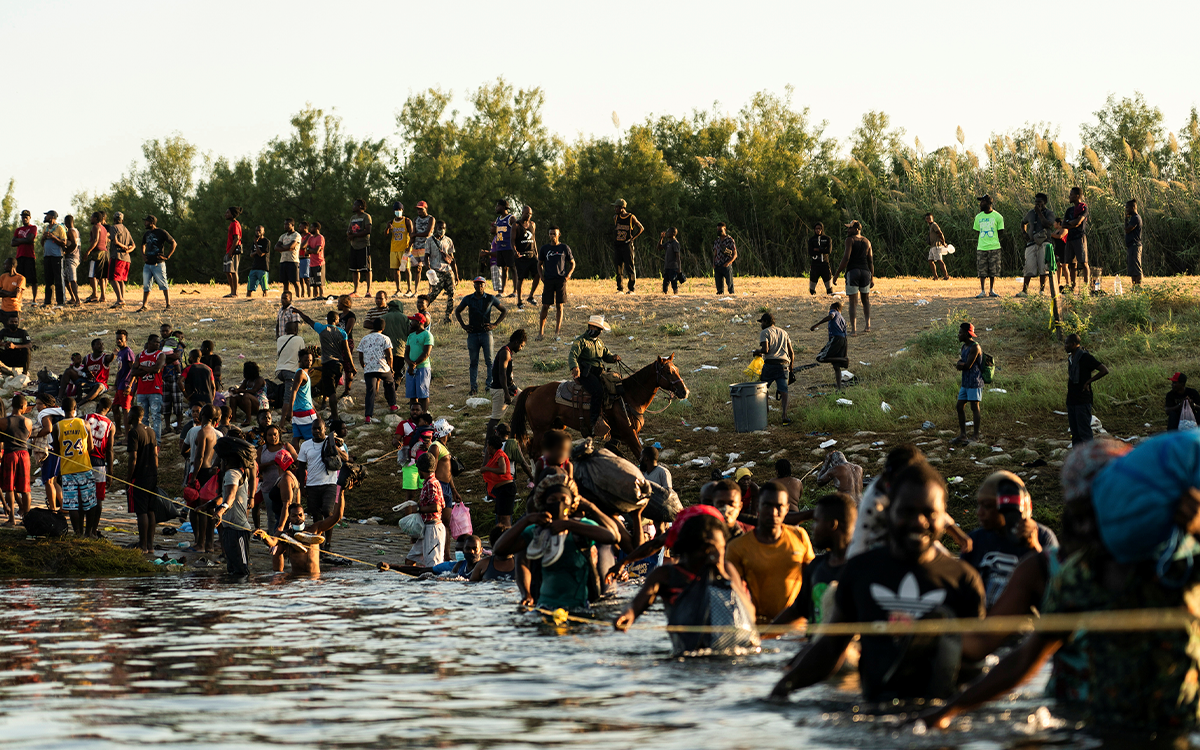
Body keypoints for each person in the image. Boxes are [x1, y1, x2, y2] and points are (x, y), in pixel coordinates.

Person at [920, 435, 1200, 733]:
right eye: (1078, 515)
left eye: (1094, 513)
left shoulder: (1181, 563)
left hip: (1178, 728)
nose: (1085, 527)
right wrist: (948, 711)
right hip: (1094, 727)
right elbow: (1025, 658)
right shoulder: (1076, 577)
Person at [770, 462, 986, 702]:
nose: (919, 522)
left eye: (929, 513)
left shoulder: (963, 578)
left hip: (939, 718)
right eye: (907, 512)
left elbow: (975, 659)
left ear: (944, 517)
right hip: (875, 714)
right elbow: (831, 648)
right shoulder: (861, 571)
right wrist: (782, 689)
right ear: (889, 513)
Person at [614, 513, 758, 653]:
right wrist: (627, 615)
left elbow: (750, 614)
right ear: (691, 547)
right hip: (686, 656)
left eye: (722, 548)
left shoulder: (726, 569)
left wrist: (721, 572)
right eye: (711, 548)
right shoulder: (666, 575)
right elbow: (637, 605)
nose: (719, 553)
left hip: (731, 654)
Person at [496, 473, 621, 613]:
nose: (559, 504)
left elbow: (612, 537)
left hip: (580, 607)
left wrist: (574, 521)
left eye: (563, 499)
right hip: (546, 607)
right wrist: (526, 520)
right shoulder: (535, 531)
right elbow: (500, 549)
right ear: (544, 503)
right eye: (553, 499)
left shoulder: (582, 527)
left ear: (572, 502)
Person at [961, 471, 1058, 608]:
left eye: (987, 506)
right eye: (979, 505)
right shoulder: (975, 539)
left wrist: (1034, 547)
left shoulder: (1042, 537)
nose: (979, 512)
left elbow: (1055, 590)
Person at [725, 482, 814, 623]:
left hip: (797, 628)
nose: (773, 513)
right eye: (767, 505)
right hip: (758, 630)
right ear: (759, 506)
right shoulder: (738, 547)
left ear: (787, 509)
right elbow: (733, 592)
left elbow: (812, 579)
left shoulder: (800, 536)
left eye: (779, 507)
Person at [772, 491, 857, 625]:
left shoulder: (861, 569)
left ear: (832, 525)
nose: (812, 527)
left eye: (816, 521)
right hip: (814, 644)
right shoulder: (816, 566)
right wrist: (762, 636)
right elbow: (797, 610)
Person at [253, 498, 344, 576]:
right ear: (289, 518)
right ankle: (278, 573)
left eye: (300, 515)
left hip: (314, 579)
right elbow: (272, 543)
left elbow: (337, 517)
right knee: (279, 548)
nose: (298, 518)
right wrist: (264, 535)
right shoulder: (285, 535)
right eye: (294, 516)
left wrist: (341, 493)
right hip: (296, 579)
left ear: (304, 516)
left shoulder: (315, 529)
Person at [297, 417, 347, 549]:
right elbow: (301, 467)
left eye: (319, 428)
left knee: (327, 512)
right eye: (314, 428)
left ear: (325, 429)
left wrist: (334, 446)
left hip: (329, 483)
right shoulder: (305, 445)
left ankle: (328, 542)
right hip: (312, 485)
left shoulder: (332, 442)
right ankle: (319, 542)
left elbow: (346, 458)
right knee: (316, 515)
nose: (317, 431)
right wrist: (302, 486)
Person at [568, 316, 620, 437]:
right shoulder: (580, 341)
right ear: (591, 327)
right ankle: (594, 422)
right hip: (585, 373)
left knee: (614, 386)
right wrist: (574, 367)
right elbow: (573, 355)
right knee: (597, 391)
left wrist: (613, 358)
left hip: (598, 372)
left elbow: (606, 356)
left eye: (600, 329)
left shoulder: (599, 342)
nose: (600, 331)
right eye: (598, 328)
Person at [454, 277, 506, 397]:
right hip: (472, 334)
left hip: (486, 333)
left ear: (485, 285)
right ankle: (473, 388)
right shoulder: (468, 298)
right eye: (477, 284)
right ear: (474, 286)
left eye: (481, 284)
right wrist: (464, 326)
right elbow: (458, 311)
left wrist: (495, 324)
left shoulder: (490, 298)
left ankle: (489, 386)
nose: (479, 286)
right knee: (473, 362)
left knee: (489, 361)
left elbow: (504, 310)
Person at [298, 310, 353, 422]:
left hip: (327, 364)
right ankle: (331, 410)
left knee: (331, 392)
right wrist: (352, 366)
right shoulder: (342, 333)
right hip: (339, 365)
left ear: (327, 320)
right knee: (333, 389)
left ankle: (335, 416)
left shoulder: (322, 328)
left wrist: (298, 311)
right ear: (337, 321)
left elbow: (308, 320)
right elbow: (347, 351)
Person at [52, 398, 96, 537]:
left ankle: (77, 533)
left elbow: (57, 451)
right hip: (84, 468)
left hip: (67, 470)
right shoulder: (84, 423)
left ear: (62, 409)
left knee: (72, 505)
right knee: (89, 503)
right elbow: (91, 447)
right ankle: (88, 532)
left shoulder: (57, 426)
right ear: (75, 408)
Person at [213, 450, 254, 577]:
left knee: (242, 570)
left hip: (238, 530)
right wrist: (206, 505)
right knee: (232, 569)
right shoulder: (233, 474)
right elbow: (224, 495)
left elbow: (230, 498)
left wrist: (220, 511)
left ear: (226, 461)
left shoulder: (232, 474)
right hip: (229, 528)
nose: (220, 463)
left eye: (221, 460)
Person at [125, 404, 159, 553]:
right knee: (150, 510)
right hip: (152, 474)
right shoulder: (151, 431)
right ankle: (150, 546)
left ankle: (143, 546)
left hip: (140, 476)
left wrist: (129, 478)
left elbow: (133, 458)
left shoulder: (134, 432)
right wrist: (155, 472)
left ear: (133, 416)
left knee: (142, 512)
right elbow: (155, 455)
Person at [1065, 333, 1108, 445]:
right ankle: (1078, 460)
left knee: (1085, 433)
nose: (1065, 346)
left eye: (1067, 344)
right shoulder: (1071, 358)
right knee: (1075, 434)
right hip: (1072, 399)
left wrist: (1088, 382)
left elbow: (1104, 370)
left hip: (1082, 400)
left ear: (1074, 344)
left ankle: (1090, 459)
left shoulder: (1085, 357)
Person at [833, 221, 873, 332]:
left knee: (853, 302)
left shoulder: (850, 240)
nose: (847, 230)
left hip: (853, 272)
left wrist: (837, 274)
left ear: (856, 229)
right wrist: (872, 277)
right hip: (865, 272)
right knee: (866, 300)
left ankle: (854, 329)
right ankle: (867, 326)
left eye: (849, 228)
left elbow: (846, 258)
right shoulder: (867, 241)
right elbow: (870, 261)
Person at [754, 312, 795, 424]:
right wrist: (791, 367)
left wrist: (757, 351)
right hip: (784, 364)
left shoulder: (764, 332)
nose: (761, 324)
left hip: (770, 365)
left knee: (763, 388)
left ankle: (765, 412)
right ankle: (784, 416)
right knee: (784, 391)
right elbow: (791, 352)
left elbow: (765, 350)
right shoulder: (784, 332)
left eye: (762, 322)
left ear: (766, 322)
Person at [487, 329, 526, 440]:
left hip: (510, 388)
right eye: (521, 346)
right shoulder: (505, 353)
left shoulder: (508, 351)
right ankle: (487, 447)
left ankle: (517, 435)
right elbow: (502, 374)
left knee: (526, 402)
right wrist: (506, 393)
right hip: (501, 390)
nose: (521, 348)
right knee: (495, 420)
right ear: (516, 342)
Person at [356, 318, 397, 423]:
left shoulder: (364, 339)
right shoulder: (385, 338)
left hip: (369, 369)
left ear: (373, 327)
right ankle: (392, 405)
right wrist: (391, 368)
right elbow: (390, 355)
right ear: (383, 328)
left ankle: (368, 416)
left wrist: (364, 365)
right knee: (390, 383)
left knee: (370, 391)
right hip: (382, 368)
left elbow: (360, 355)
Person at [0, 393, 33, 527]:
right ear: (22, 406)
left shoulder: (3, 421)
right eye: (25, 406)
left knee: (10, 488)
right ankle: (27, 519)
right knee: (25, 489)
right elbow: (27, 436)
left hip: (10, 454)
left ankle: (12, 519)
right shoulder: (28, 422)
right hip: (24, 455)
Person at [537, 226, 575, 341]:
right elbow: (539, 264)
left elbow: (572, 263)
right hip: (548, 280)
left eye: (554, 233)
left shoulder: (564, 248)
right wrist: (541, 277)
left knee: (559, 305)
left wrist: (568, 275)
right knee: (545, 305)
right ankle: (541, 333)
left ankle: (557, 333)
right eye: (550, 234)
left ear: (559, 234)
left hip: (560, 280)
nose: (552, 236)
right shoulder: (544, 248)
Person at [951, 322, 984, 445]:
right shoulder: (964, 347)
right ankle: (963, 435)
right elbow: (963, 362)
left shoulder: (975, 347)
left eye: (960, 333)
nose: (958, 335)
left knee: (974, 407)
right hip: (965, 382)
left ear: (966, 334)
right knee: (959, 406)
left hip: (975, 382)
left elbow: (968, 365)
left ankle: (975, 436)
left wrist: (960, 365)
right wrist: (961, 364)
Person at [1016, 194, 1053, 297]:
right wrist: (1024, 233)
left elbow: (1048, 224)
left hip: (1044, 242)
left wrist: (1040, 213)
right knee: (1028, 266)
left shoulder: (1049, 213)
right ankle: (1024, 291)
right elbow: (1023, 222)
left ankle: (1042, 291)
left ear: (1044, 203)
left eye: (1039, 202)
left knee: (1043, 267)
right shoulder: (1031, 213)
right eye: (1036, 202)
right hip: (1031, 243)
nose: (1037, 204)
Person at [136, 215, 174, 312]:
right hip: (148, 264)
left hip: (158, 263)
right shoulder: (147, 234)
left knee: (163, 284)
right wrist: (143, 255)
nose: (145, 223)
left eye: (147, 221)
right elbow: (142, 245)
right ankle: (144, 306)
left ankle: (168, 305)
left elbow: (173, 243)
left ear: (152, 223)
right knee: (146, 286)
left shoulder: (161, 232)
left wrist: (167, 256)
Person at [83, 396, 115, 513]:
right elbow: (110, 450)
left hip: (83, 459)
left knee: (82, 495)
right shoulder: (111, 425)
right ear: (109, 410)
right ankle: (93, 529)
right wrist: (110, 473)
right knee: (98, 498)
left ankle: (81, 529)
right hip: (99, 462)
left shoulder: (85, 418)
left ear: (97, 406)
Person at [810, 300, 849, 390]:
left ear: (835, 308)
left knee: (820, 357)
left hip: (835, 339)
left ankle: (843, 359)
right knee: (836, 366)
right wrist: (845, 353)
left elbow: (831, 316)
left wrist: (817, 324)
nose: (829, 310)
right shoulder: (843, 319)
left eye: (830, 308)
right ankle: (839, 388)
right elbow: (846, 337)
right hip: (842, 341)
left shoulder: (834, 312)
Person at [132, 335, 165, 440]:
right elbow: (133, 372)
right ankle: (145, 439)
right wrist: (149, 369)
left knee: (156, 416)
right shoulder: (140, 355)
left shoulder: (160, 355)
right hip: (141, 391)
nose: (158, 344)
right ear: (149, 342)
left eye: (159, 342)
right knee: (142, 418)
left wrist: (141, 367)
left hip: (155, 390)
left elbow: (157, 369)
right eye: (156, 342)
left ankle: (157, 441)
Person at [971, 194, 1004, 298]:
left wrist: (992, 240)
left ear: (989, 203)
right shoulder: (978, 217)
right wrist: (983, 241)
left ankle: (991, 290)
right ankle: (982, 290)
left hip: (994, 247)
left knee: (993, 270)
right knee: (982, 270)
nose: (981, 204)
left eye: (983, 202)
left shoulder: (998, 216)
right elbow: (977, 231)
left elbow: (1000, 232)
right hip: (982, 247)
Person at [425, 220, 456, 322]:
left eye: (443, 228)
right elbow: (426, 257)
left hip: (448, 270)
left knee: (452, 294)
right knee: (433, 293)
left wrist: (456, 274)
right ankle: (422, 310)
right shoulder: (429, 241)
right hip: (436, 270)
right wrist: (428, 269)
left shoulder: (448, 241)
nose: (441, 230)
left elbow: (452, 259)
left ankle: (448, 317)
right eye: (439, 228)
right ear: (435, 229)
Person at [275, 320, 305, 424]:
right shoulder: (299, 339)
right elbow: (303, 356)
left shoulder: (279, 339)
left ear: (285, 330)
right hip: (291, 371)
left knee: (291, 393)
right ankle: (283, 422)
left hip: (279, 371)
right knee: (288, 398)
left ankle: (292, 413)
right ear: (296, 330)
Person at [482, 434, 517, 526]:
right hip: (499, 491)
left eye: (488, 445)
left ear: (492, 446)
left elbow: (502, 470)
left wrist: (487, 469)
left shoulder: (500, 455)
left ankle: (508, 537)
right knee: (500, 517)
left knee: (505, 518)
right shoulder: (493, 456)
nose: (487, 447)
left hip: (506, 489)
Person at [612, 199, 643, 294]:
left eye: (617, 207)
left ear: (622, 208)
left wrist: (632, 238)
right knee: (618, 267)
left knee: (629, 266)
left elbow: (641, 228)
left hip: (627, 245)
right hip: (618, 245)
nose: (615, 209)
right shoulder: (615, 217)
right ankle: (620, 288)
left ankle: (631, 288)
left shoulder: (631, 217)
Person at [405, 313, 435, 411]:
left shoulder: (427, 335)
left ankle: (424, 414)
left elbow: (426, 353)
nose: (411, 323)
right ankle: (414, 414)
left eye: (413, 321)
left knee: (423, 394)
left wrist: (414, 364)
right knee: (412, 394)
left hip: (422, 367)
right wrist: (410, 364)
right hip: (411, 368)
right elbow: (406, 352)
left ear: (419, 322)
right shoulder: (411, 336)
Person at [1063, 186, 1089, 291]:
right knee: (1072, 264)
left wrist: (1072, 223)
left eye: (1071, 195)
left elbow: (1078, 222)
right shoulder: (1069, 210)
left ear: (1077, 196)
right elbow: (1064, 224)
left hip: (1079, 238)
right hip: (1070, 238)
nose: (1069, 196)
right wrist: (1072, 223)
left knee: (1083, 262)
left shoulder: (1084, 208)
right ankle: (1072, 286)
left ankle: (1086, 287)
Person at [386, 201, 414, 296]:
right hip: (394, 249)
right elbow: (385, 235)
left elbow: (412, 235)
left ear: (402, 210)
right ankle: (398, 290)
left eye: (399, 210)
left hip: (404, 249)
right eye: (396, 210)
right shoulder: (391, 222)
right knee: (396, 270)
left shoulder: (407, 221)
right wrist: (388, 228)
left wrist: (409, 247)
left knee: (406, 269)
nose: (398, 211)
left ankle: (409, 289)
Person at [512, 206, 538, 308]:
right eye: (527, 213)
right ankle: (519, 300)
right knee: (521, 278)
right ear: (522, 213)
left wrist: (537, 254)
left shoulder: (532, 224)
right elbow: (512, 241)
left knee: (538, 274)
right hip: (521, 256)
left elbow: (534, 240)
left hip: (531, 254)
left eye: (530, 214)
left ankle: (531, 296)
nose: (529, 215)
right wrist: (515, 251)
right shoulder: (516, 225)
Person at [409, 201, 436, 297]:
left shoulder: (431, 219)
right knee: (417, 268)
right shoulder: (415, 219)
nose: (419, 211)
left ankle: (431, 290)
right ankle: (416, 290)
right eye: (418, 209)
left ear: (426, 209)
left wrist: (415, 234)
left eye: (421, 209)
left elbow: (428, 233)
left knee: (429, 268)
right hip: (416, 247)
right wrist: (409, 246)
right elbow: (413, 234)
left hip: (427, 247)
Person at [11, 210, 38, 305]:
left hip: (29, 256)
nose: (24, 218)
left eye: (26, 216)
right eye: (23, 216)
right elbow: (12, 243)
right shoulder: (18, 229)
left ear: (30, 217)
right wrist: (24, 240)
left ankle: (34, 299)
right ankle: (19, 299)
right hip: (19, 256)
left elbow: (30, 239)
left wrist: (19, 240)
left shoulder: (33, 227)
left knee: (33, 279)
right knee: (19, 279)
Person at [111, 330, 135, 439]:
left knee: (126, 410)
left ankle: (128, 436)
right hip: (120, 384)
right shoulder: (120, 352)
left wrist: (130, 385)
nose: (119, 340)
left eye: (121, 338)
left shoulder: (128, 352)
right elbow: (119, 369)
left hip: (125, 384)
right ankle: (119, 431)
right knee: (115, 407)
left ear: (126, 339)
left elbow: (133, 369)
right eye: (117, 338)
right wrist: (116, 383)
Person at [346, 198, 372, 297]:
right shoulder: (352, 218)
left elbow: (368, 230)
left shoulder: (366, 216)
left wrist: (355, 235)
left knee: (366, 269)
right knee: (354, 269)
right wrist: (349, 234)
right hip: (354, 246)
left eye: (355, 205)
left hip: (363, 245)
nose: (353, 206)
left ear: (360, 206)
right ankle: (355, 290)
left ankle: (368, 290)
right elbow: (349, 229)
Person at [228, 361, 268, 426]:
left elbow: (254, 391)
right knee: (234, 396)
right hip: (249, 403)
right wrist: (233, 390)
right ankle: (233, 418)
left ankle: (248, 420)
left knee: (246, 396)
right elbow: (240, 390)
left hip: (260, 404)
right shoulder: (247, 381)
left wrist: (239, 391)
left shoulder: (260, 380)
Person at [108, 211, 134, 308]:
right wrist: (128, 250)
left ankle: (120, 299)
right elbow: (133, 245)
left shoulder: (113, 228)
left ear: (114, 219)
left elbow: (115, 241)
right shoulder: (126, 230)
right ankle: (122, 298)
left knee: (112, 278)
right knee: (121, 279)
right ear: (122, 220)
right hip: (126, 258)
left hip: (117, 256)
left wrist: (123, 247)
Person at [489, 199, 515, 297]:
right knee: (504, 269)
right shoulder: (498, 219)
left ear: (503, 207)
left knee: (512, 268)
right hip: (500, 248)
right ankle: (502, 291)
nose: (496, 208)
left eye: (498, 206)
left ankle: (515, 291)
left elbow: (517, 228)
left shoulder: (511, 218)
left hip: (509, 247)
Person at [41, 210, 67, 307]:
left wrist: (53, 237)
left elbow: (64, 242)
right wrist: (43, 237)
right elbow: (41, 243)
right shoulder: (46, 228)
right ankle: (48, 301)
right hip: (47, 256)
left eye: (47, 215)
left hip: (57, 256)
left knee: (58, 279)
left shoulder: (60, 228)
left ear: (52, 217)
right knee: (48, 279)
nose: (45, 217)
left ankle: (60, 301)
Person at [84, 211, 109, 304]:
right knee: (102, 276)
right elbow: (106, 242)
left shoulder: (96, 227)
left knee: (92, 275)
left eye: (91, 217)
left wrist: (88, 251)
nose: (90, 218)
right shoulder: (104, 228)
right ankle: (103, 296)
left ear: (95, 218)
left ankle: (95, 295)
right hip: (105, 252)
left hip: (97, 253)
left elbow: (95, 240)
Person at [274, 218, 301, 298]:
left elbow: (292, 246)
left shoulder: (296, 235)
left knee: (295, 281)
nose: (285, 226)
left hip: (293, 260)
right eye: (284, 224)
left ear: (292, 225)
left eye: (287, 224)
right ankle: (286, 297)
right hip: (283, 260)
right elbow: (276, 247)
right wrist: (287, 248)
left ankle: (298, 296)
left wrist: (282, 248)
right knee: (285, 282)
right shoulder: (283, 236)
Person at [380, 297, 409, 372]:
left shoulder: (383, 318)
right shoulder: (405, 318)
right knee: (399, 372)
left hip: (385, 350)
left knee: (387, 372)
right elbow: (409, 333)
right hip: (400, 350)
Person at [61, 214, 82, 306]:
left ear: (66, 222)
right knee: (65, 277)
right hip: (76, 257)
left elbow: (73, 244)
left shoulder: (70, 231)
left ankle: (77, 299)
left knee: (72, 279)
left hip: (72, 258)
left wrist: (66, 251)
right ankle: (73, 298)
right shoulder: (76, 231)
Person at [808, 222, 834, 294]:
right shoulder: (811, 240)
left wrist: (818, 249)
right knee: (812, 289)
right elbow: (810, 252)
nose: (818, 230)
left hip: (825, 264)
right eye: (816, 229)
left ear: (822, 229)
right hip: (815, 265)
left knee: (829, 288)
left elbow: (828, 250)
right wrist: (822, 250)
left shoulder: (827, 239)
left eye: (819, 229)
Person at [712, 222, 737, 295]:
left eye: (720, 229)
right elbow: (715, 254)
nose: (719, 231)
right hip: (717, 265)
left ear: (725, 229)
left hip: (726, 264)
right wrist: (713, 263)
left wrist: (728, 263)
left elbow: (735, 254)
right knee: (719, 288)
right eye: (718, 230)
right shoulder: (717, 241)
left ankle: (731, 297)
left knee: (730, 285)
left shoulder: (730, 240)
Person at [223, 207, 243, 298]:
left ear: (232, 214)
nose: (226, 214)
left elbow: (237, 238)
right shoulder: (231, 224)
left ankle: (235, 292)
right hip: (229, 250)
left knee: (234, 271)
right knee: (228, 271)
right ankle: (232, 291)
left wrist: (231, 251)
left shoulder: (235, 224)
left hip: (233, 251)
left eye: (227, 213)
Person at [0, 258, 26, 326]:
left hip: (14, 309)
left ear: (11, 265)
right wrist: (10, 293)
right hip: (3, 309)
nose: (4, 266)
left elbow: (15, 295)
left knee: (13, 331)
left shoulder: (21, 278)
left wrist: (3, 292)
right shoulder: (3, 277)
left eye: (5, 264)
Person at [246, 225, 270, 297]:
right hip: (254, 266)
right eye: (256, 230)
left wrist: (256, 244)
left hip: (263, 267)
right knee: (250, 286)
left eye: (259, 231)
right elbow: (251, 254)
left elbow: (261, 254)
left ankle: (265, 298)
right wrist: (255, 250)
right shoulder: (254, 241)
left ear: (263, 232)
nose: (258, 232)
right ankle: (248, 299)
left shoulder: (266, 242)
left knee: (264, 287)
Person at [924, 213, 950, 281]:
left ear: (932, 218)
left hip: (937, 246)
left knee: (939, 260)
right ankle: (935, 277)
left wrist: (943, 243)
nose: (928, 220)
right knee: (930, 261)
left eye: (929, 218)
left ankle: (946, 276)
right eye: (927, 218)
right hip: (932, 246)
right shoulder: (930, 226)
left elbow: (940, 233)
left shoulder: (934, 225)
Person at [1124, 198, 1143, 287]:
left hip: (1135, 246)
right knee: (1132, 269)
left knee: (1137, 268)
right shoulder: (1133, 218)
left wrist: (1125, 219)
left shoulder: (1136, 218)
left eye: (1127, 208)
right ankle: (1134, 287)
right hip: (1132, 246)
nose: (1126, 210)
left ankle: (1138, 287)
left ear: (1132, 208)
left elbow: (1127, 230)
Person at [659, 227, 682, 295]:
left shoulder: (675, 243)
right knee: (665, 282)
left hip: (673, 266)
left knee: (673, 282)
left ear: (673, 233)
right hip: (667, 266)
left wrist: (679, 268)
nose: (667, 233)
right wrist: (661, 238)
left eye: (669, 232)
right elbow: (659, 247)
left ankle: (675, 293)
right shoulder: (668, 243)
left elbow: (678, 256)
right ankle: (665, 293)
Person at [306, 221, 326, 298]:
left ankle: (321, 295)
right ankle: (315, 296)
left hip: (319, 263)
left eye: (312, 227)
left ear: (317, 228)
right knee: (313, 282)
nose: (311, 229)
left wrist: (311, 250)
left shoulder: (320, 237)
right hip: (312, 263)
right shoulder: (310, 238)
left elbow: (316, 250)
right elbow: (307, 250)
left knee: (319, 282)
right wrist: (312, 250)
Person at [295, 220, 311, 298]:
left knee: (306, 278)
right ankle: (302, 293)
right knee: (300, 278)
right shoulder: (300, 236)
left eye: (300, 227)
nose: (299, 228)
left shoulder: (309, 236)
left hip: (306, 258)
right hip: (299, 258)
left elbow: (302, 246)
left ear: (305, 227)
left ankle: (309, 294)